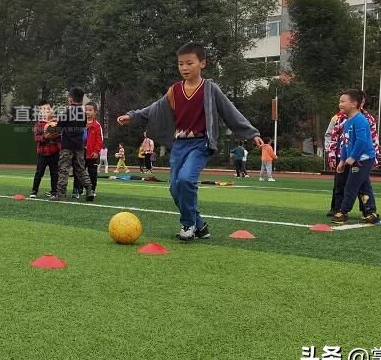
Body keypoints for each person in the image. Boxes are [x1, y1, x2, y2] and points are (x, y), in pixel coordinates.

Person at [118, 42, 262, 241]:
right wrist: (132, 116)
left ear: (202, 63)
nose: (184, 68)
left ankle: (188, 225)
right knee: (174, 187)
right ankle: (200, 225)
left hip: (200, 144)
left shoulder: (210, 89)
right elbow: (154, 109)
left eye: (189, 63)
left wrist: (251, 133)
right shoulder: (174, 90)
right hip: (179, 145)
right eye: (180, 64)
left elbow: (230, 112)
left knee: (186, 180)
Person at [331, 89, 380, 224]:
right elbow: (346, 144)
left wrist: (353, 157)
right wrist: (342, 161)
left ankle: (343, 212)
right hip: (357, 159)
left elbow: (362, 141)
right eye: (339, 101)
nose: (340, 104)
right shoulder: (347, 122)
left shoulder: (360, 120)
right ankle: (371, 212)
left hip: (363, 160)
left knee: (351, 186)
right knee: (364, 187)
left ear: (354, 104)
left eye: (343, 101)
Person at [51, 87, 93, 202]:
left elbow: (58, 129)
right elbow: (83, 126)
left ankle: (60, 194)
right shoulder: (83, 114)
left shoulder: (66, 112)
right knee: (80, 169)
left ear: (71, 99)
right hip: (79, 145)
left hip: (67, 145)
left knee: (64, 169)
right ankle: (90, 190)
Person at [30, 100, 61, 199]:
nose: (46, 110)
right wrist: (45, 136)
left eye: (48, 108)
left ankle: (54, 192)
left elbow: (60, 135)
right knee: (39, 172)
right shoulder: (39, 125)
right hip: (42, 153)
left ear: (52, 110)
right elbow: (36, 137)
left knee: (54, 173)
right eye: (43, 109)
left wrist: (57, 133)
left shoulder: (56, 123)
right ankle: (34, 191)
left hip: (54, 152)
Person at [83, 103, 103, 194]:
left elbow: (99, 140)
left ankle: (92, 189)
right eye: (86, 110)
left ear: (95, 112)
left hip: (92, 154)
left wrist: (96, 151)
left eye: (90, 110)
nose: (87, 112)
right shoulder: (80, 124)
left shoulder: (97, 125)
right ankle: (79, 189)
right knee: (80, 172)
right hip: (81, 153)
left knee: (92, 173)